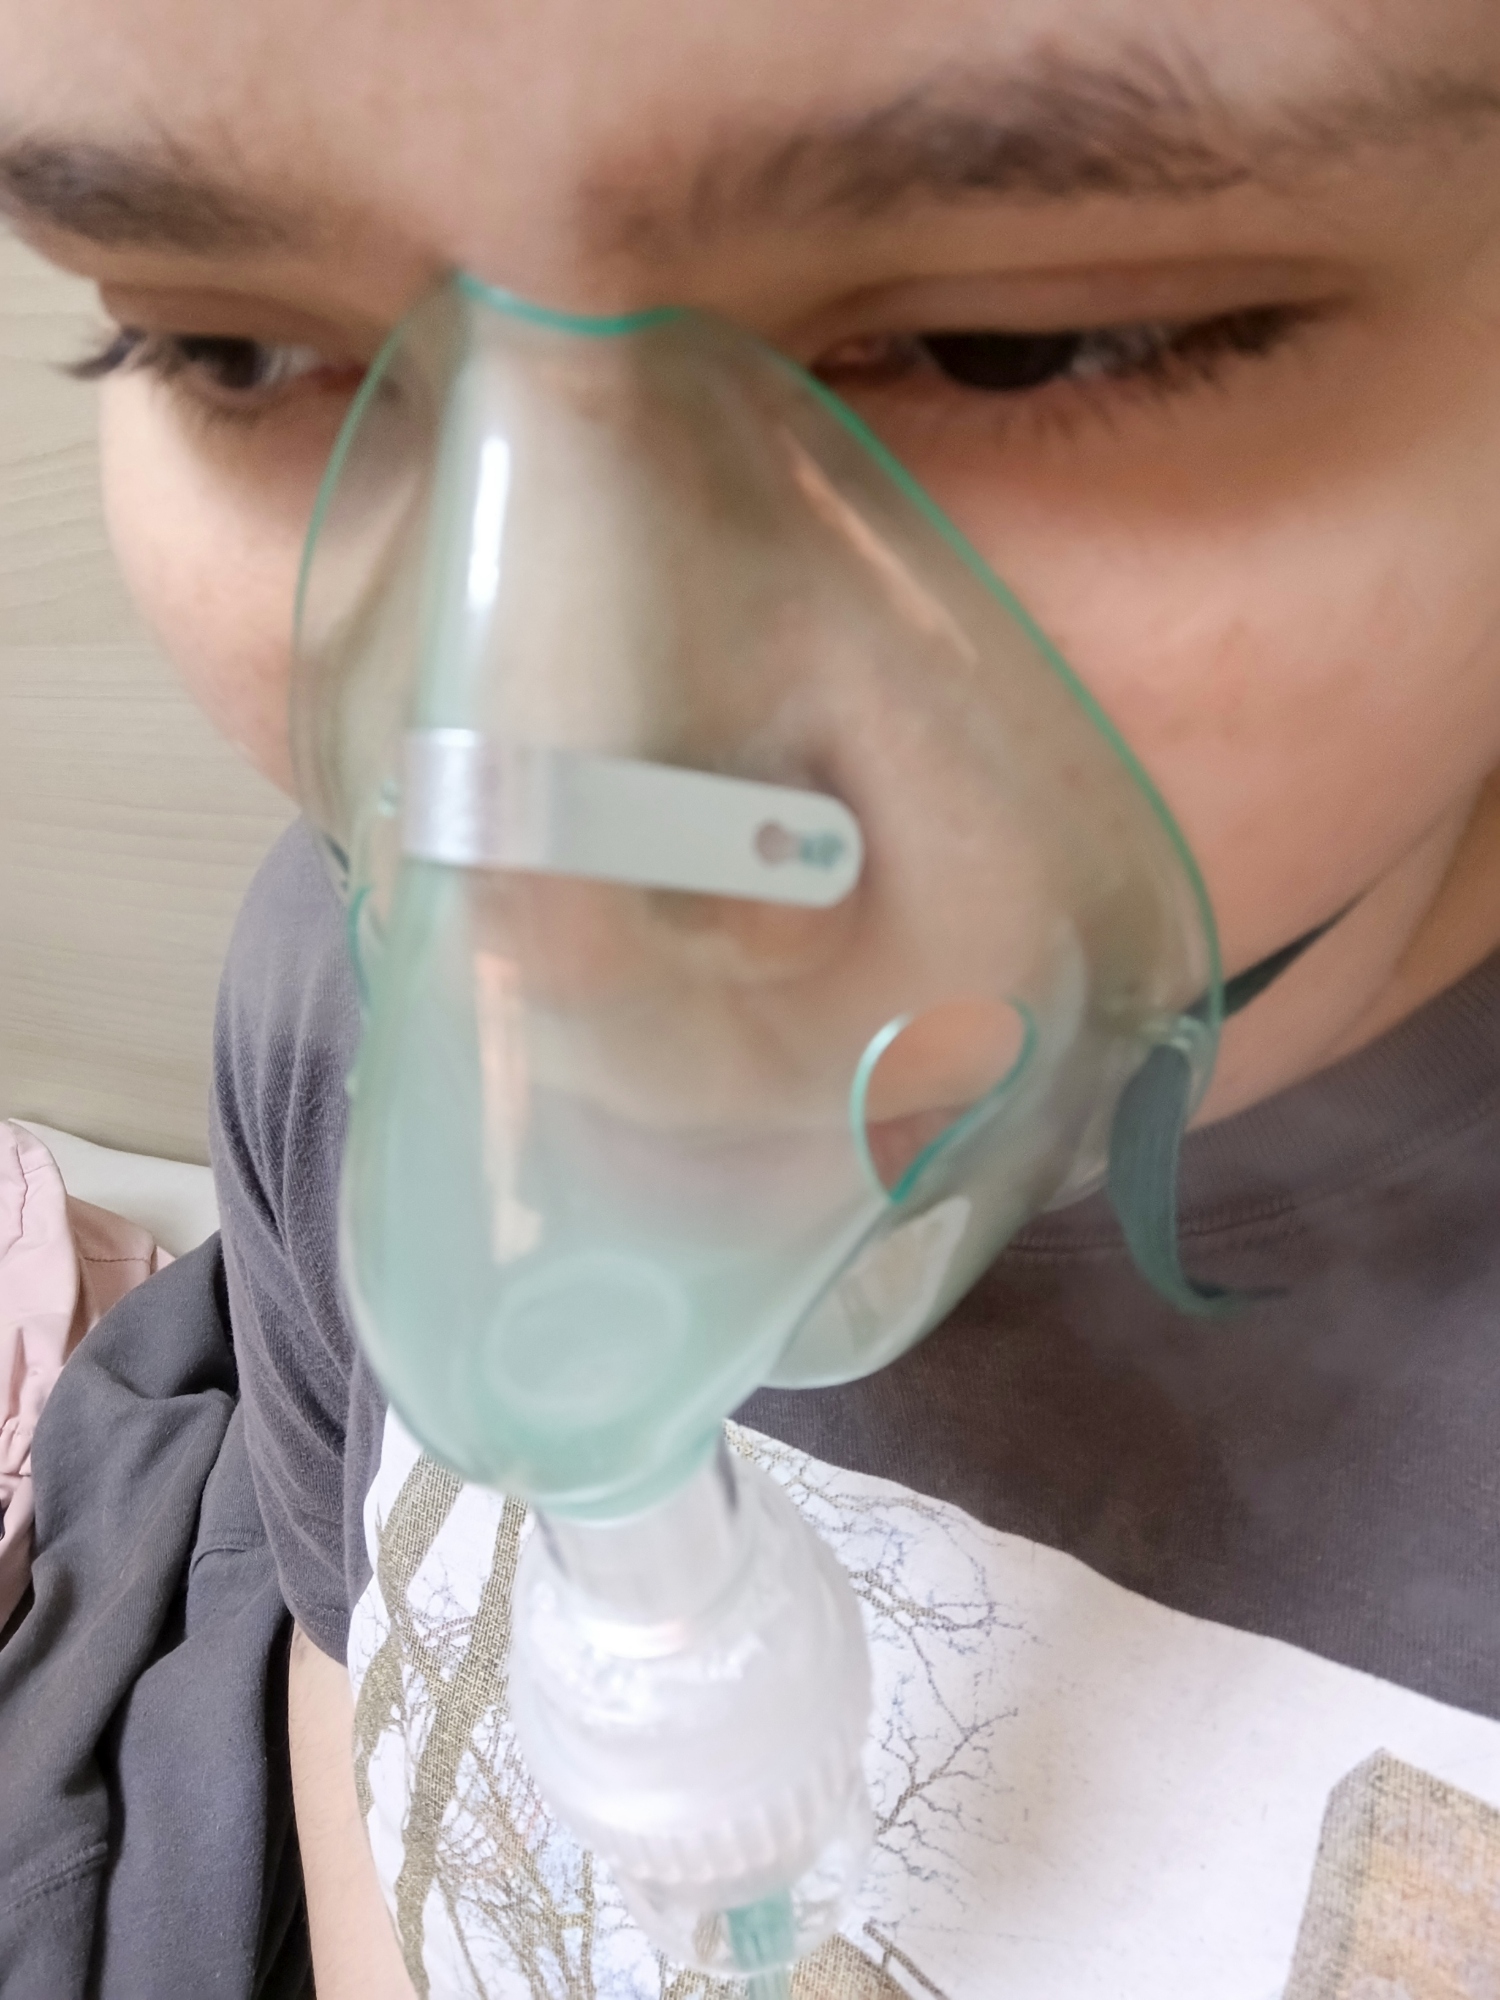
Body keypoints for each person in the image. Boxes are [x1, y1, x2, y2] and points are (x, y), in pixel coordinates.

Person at [5, 2, 1500, 1993]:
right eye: (233, 346)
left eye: (1027, 342)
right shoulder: (325, 1002)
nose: (549, 898)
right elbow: (352, 1693)